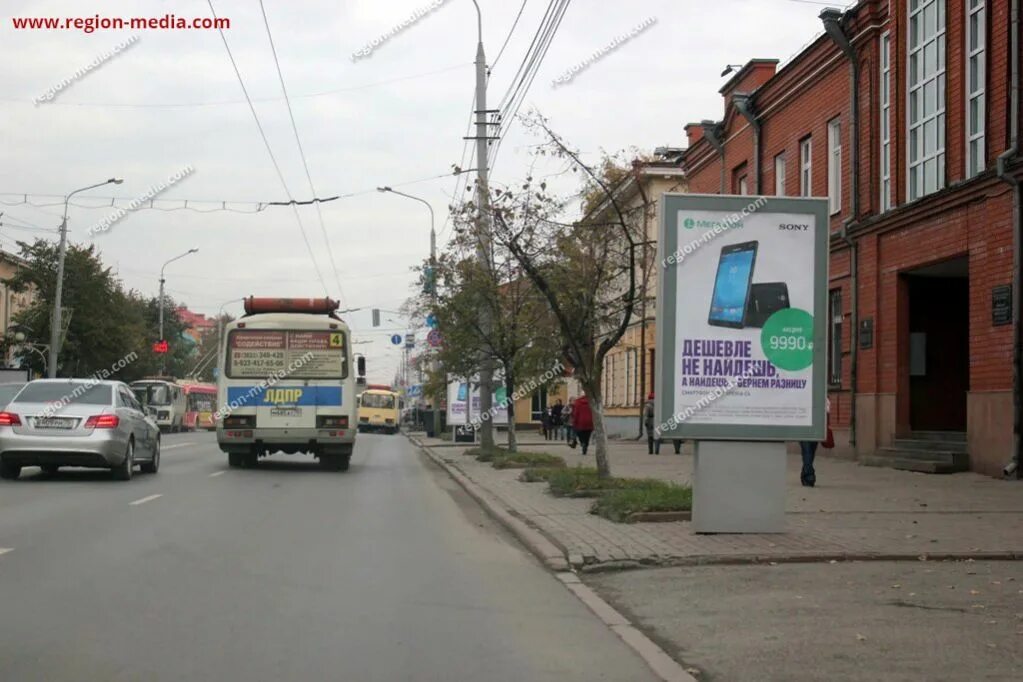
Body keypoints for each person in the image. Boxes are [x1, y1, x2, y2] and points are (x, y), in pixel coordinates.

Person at [799, 397, 831, 487]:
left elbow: (827, 409)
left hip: (815, 430)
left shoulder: (821, 395)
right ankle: (809, 476)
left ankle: (805, 474)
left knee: (810, 453)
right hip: (804, 429)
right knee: (807, 452)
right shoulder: (801, 396)